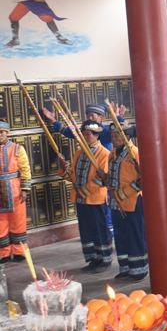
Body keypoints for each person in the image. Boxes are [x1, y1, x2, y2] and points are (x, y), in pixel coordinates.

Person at [58, 121, 112, 273]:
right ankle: (92, 258)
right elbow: (73, 176)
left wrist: (84, 190)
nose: (86, 136)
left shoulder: (104, 154)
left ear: (97, 135)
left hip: (95, 199)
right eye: (84, 134)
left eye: (89, 134)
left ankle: (104, 259)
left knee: (99, 229)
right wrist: (63, 169)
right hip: (81, 199)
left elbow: (101, 179)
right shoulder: (79, 152)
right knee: (86, 230)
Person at [101, 124, 148, 281]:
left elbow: (143, 180)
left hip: (132, 201)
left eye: (117, 135)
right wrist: (104, 177)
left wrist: (122, 193)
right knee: (121, 236)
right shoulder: (112, 154)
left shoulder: (135, 154)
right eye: (113, 135)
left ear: (127, 137)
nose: (113, 138)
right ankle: (126, 267)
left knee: (135, 234)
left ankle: (139, 268)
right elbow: (113, 178)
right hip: (115, 202)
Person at [0, 121, 31, 263]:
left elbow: (25, 169)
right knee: (1, 223)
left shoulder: (18, 149)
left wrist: (25, 189)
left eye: (2, 132)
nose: (0, 135)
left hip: (15, 188)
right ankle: (4, 253)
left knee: (18, 221)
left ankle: (19, 252)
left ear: (7, 133)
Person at [43, 103, 126, 151]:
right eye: (88, 116)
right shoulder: (84, 131)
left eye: (92, 116)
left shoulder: (106, 131)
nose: (90, 118)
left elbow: (122, 130)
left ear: (101, 118)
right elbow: (66, 131)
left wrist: (118, 116)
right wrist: (53, 120)